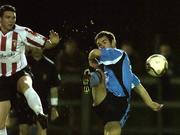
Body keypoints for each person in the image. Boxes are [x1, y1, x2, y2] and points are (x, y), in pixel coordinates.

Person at [85, 31, 164, 135]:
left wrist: (90, 59)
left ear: (113, 42)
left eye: (104, 42)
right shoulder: (117, 61)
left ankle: (89, 79)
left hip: (103, 102)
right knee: (100, 73)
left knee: (110, 127)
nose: (102, 46)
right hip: (114, 101)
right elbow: (138, 87)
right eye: (99, 45)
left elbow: (137, 85)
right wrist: (150, 102)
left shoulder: (118, 53)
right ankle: (90, 79)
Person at [0, 5, 60, 135]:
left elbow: (46, 43)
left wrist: (53, 42)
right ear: (0, 19)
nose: (11, 20)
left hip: (19, 71)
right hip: (2, 77)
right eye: (8, 17)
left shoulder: (22, 32)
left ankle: (40, 113)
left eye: (13, 18)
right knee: (0, 123)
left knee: (26, 85)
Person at [9, 47, 60, 135]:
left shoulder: (50, 65)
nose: (37, 49)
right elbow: (12, 86)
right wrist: (10, 106)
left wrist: (54, 107)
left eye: (39, 47)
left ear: (44, 48)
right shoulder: (22, 63)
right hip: (23, 102)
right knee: (23, 130)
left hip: (42, 102)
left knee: (42, 130)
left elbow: (54, 88)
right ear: (30, 47)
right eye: (34, 47)